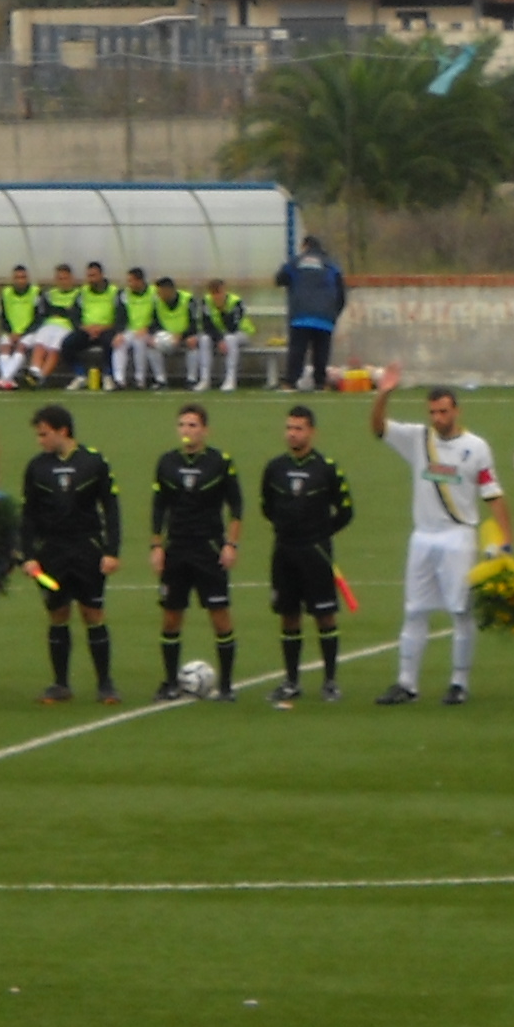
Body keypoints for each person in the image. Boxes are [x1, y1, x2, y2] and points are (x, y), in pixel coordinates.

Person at [371, 368, 500, 705]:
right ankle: (406, 683)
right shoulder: (418, 438)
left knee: (460, 612)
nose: (438, 418)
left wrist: (503, 541)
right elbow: (379, 428)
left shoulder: (476, 448)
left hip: (459, 536)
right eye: (433, 412)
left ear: (456, 410)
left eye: (444, 411)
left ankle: (459, 682)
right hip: (423, 537)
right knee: (414, 611)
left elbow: (493, 495)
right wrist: (383, 394)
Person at [21, 404, 124, 702]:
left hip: (86, 549)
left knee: (93, 613)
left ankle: (105, 684)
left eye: (44, 434)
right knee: (57, 613)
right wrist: (28, 554)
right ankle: (60, 683)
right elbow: (28, 514)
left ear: (62, 431)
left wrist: (111, 550)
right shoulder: (37, 467)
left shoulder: (93, 462)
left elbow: (111, 508)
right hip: (51, 553)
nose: (40, 440)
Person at [258, 404, 356, 706]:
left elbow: (346, 510)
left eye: (298, 428)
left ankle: (329, 681)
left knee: (324, 615)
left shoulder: (326, 468)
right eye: (289, 428)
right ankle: (291, 681)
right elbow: (267, 507)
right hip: (285, 551)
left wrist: (321, 533)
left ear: (311, 431)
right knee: (289, 615)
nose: (292, 434)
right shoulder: (274, 468)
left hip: (316, 553)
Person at [151, 401, 245, 699]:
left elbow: (237, 506)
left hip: (209, 549)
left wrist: (231, 544)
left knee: (220, 616)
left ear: (205, 429)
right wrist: (156, 546)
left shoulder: (220, 462)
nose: (187, 431)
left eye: (193, 425)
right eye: (182, 425)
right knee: (170, 617)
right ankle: (170, 683)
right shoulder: (166, 462)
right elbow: (159, 507)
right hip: (177, 549)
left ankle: (227, 686)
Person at [275, 234, 348, 391]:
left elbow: (279, 279)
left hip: (300, 315)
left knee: (297, 349)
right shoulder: (332, 265)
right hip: (325, 316)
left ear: (304, 246)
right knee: (321, 351)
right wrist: (334, 313)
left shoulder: (295, 263)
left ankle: (291, 382)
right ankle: (320, 383)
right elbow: (341, 294)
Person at [0, 264, 46, 390]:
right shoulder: (6, 293)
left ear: (27, 278)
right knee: (4, 346)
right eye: (17, 277)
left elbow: (39, 318)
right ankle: (8, 380)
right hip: (11, 331)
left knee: (21, 346)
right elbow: (3, 316)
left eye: (23, 277)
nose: (20, 280)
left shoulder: (36, 292)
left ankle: (4, 378)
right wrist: (10, 332)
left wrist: (23, 333)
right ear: (13, 279)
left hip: (30, 332)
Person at [193, 277, 250, 392]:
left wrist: (222, 310)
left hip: (240, 334)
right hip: (219, 335)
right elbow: (206, 325)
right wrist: (219, 340)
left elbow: (233, 326)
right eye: (213, 293)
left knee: (230, 339)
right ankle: (205, 379)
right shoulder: (206, 302)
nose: (216, 296)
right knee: (204, 339)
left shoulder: (235, 302)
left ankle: (230, 379)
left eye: (218, 292)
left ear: (224, 291)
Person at [73, 261, 121, 390]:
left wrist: (104, 328)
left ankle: (108, 376)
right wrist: (85, 327)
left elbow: (120, 315)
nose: (91, 279)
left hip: (106, 329)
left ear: (101, 275)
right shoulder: (82, 293)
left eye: (94, 275)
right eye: (89, 276)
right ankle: (80, 375)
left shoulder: (114, 292)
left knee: (109, 342)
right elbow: (75, 315)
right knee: (68, 343)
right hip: (87, 330)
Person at [114, 268, 163, 389]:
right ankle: (119, 380)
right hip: (130, 330)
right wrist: (119, 333)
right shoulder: (124, 294)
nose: (129, 284)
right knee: (119, 343)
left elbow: (160, 315)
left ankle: (139, 379)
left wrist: (148, 328)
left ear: (140, 281)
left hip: (147, 330)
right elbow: (120, 315)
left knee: (139, 342)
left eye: (131, 281)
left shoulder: (154, 293)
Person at [151, 274, 195, 393]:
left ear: (169, 290)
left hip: (186, 336)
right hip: (168, 338)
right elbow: (154, 324)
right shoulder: (157, 302)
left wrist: (182, 335)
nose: (159, 295)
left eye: (161, 291)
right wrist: (161, 335)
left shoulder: (188, 299)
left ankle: (192, 380)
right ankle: (161, 380)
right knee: (151, 345)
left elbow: (194, 324)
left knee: (193, 343)